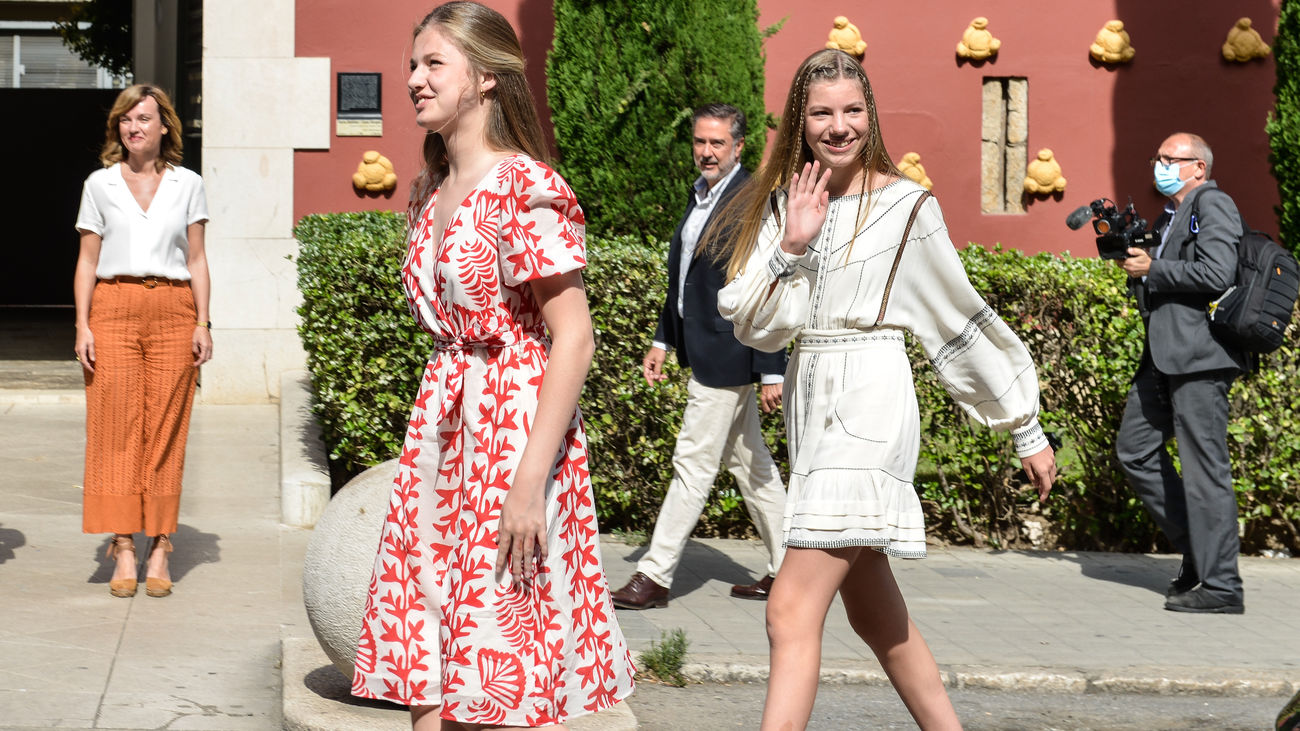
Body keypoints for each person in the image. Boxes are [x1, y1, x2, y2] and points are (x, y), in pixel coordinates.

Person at [713, 49, 1057, 729]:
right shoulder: (785, 204)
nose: (838, 126)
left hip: (872, 397)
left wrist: (1025, 424)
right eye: (821, 113)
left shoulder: (907, 206)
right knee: (873, 612)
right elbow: (755, 325)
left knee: (789, 607)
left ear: (869, 113)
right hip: (813, 402)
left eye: (851, 110)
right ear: (799, 119)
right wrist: (792, 245)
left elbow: (957, 315)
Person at [350, 4, 635, 729]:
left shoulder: (526, 186)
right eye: (412, 64)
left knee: (496, 684)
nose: (413, 79)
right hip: (442, 435)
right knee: (432, 681)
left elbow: (574, 337)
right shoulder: (428, 190)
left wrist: (530, 483)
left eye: (432, 64)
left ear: (484, 78)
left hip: (514, 437)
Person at [608, 104, 787, 610]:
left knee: (692, 462)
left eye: (717, 144)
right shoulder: (702, 196)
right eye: (700, 142)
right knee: (752, 465)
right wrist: (664, 340)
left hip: (731, 355)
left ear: (738, 147)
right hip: (704, 348)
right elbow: (685, 277)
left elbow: (772, 285)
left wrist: (772, 365)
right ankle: (790, 571)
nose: (706, 152)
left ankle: (655, 575)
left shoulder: (755, 200)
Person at [74, 84, 212, 600]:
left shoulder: (188, 185)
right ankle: (123, 546)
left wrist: (204, 322)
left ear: (164, 127)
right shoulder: (99, 184)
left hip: (174, 310)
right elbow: (87, 260)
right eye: (126, 120)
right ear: (119, 128)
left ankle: (159, 544)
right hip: (113, 308)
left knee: (165, 427)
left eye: (145, 119)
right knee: (115, 426)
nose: (135, 127)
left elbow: (196, 259)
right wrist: (82, 325)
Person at [1115, 133, 1249, 614]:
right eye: (1158, 158)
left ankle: (1221, 586)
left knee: (1204, 470)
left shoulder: (1213, 204)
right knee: (1134, 451)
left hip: (1200, 357)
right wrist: (1138, 267)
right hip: (1163, 353)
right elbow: (1162, 275)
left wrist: (1154, 268)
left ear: (1199, 168)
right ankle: (1200, 551)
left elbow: (1218, 273)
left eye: (1173, 159)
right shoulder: (1170, 215)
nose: (1161, 165)